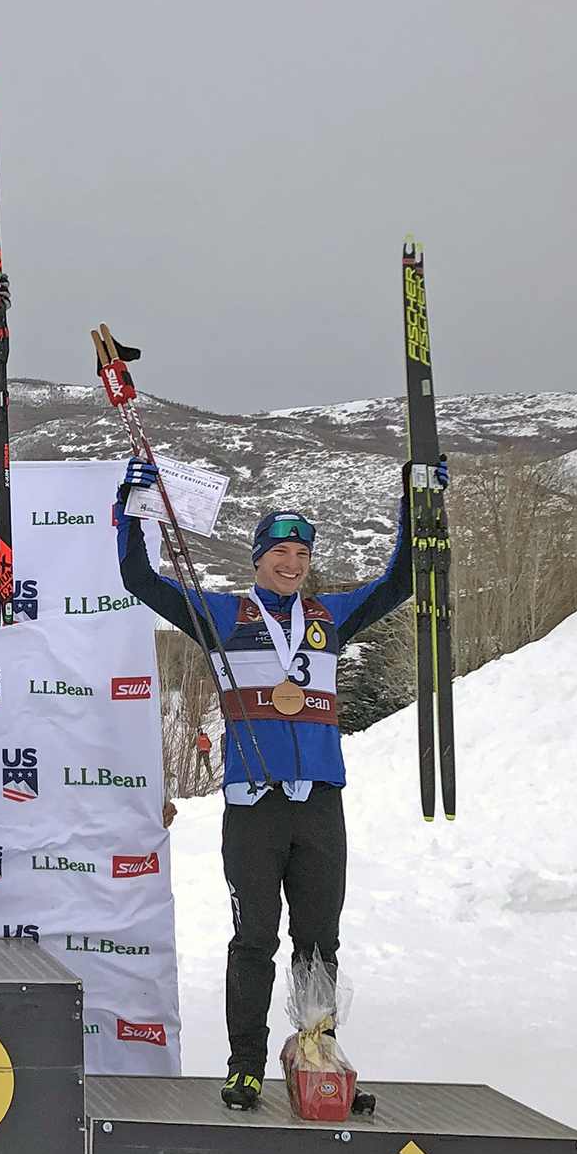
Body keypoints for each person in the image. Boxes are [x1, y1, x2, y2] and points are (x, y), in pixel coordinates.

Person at [116, 455, 438, 1109]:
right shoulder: (223, 616)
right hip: (254, 808)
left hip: (318, 802)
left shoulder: (330, 615)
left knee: (319, 939)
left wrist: (417, 501)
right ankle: (244, 1063)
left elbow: (400, 579)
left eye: (300, 552)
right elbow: (137, 578)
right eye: (279, 552)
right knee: (255, 938)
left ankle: (317, 1047)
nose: (290, 563)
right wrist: (134, 505)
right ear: (257, 559)